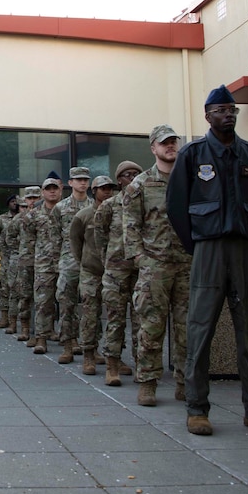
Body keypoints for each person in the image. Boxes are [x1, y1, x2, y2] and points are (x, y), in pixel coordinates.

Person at [168, 85, 248, 437]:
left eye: (232, 109)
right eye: (221, 109)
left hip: (243, 250)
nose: (228, 114)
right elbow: (176, 207)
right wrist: (198, 246)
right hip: (208, 249)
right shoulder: (193, 155)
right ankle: (197, 409)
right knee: (200, 331)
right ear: (207, 115)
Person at [124, 125, 192, 407]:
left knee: (188, 328)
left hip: (187, 264)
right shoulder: (140, 185)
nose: (170, 147)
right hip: (155, 266)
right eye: (164, 143)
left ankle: (185, 383)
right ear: (153, 148)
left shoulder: (192, 180)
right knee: (151, 327)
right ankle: (148, 383)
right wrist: (142, 260)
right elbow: (131, 227)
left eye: (174, 142)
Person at [98, 161, 144, 383]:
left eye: (137, 174)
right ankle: (112, 366)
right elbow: (100, 236)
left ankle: (141, 366)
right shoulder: (109, 205)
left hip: (141, 270)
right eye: (128, 174)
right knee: (116, 319)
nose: (133, 177)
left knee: (141, 320)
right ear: (119, 180)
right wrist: (108, 259)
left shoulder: (145, 202)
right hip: (116, 271)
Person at [68, 175, 117, 374]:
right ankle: (89, 354)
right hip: (91, 271)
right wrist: (84, 262)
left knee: (116, 316)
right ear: (94, 191)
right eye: (103, 188)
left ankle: (115, 356)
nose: (107, 192)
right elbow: (75, 241)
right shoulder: (84, 215)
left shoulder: (118, 212)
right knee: (90, 313)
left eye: (110, 188)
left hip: (114, 271)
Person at [54, 167, 93, 363]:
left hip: (90, 263)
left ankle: (91, 348)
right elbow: (54, 238)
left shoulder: (96, 206)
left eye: (85, 179)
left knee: (91, 307)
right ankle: (68, 345)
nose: (82, 183)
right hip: (68, 262)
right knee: (66, 305)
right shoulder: (60, 208)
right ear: (70, 183)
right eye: (78, 180)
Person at [27, 177, 64, 354]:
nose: (52, 191)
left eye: (55, 188)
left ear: (60, 190)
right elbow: (28, 239)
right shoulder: (34, 215)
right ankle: (41, 338)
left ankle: (69, 339)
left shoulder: (67, 210)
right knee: (42, 302)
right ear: (42, 192)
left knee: (67, 303)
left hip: (65, 263)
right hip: (43, 264)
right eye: (48, 189)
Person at [13, 187, 41, 341]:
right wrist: (18, 250)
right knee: (25, 295)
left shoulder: (46, 215)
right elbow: (8, 238)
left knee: (44, 298)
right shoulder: (20, 219)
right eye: (29, 198)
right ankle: (24, 328)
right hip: (25, 261)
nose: (32, 201)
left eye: (35, 198)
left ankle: (44, 330)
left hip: (44, 261)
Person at [0, 195, 19, 329]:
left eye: (17, 202)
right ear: (8, 204)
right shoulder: (1, 219)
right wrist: (2, 248)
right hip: (7, 259)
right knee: (5, 288)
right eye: (12, 202)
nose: (15, 204)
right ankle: (5, 317)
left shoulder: (25, 218)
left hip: (23, 258)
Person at [1, 197, 28, 334]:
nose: (25, 209)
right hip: (17, 259)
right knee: (14, 291)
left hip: (35, 259)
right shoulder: (16, 220)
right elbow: (7, 239)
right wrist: (19, 249)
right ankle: (12, 322)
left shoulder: (39, 216)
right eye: (22, 206)